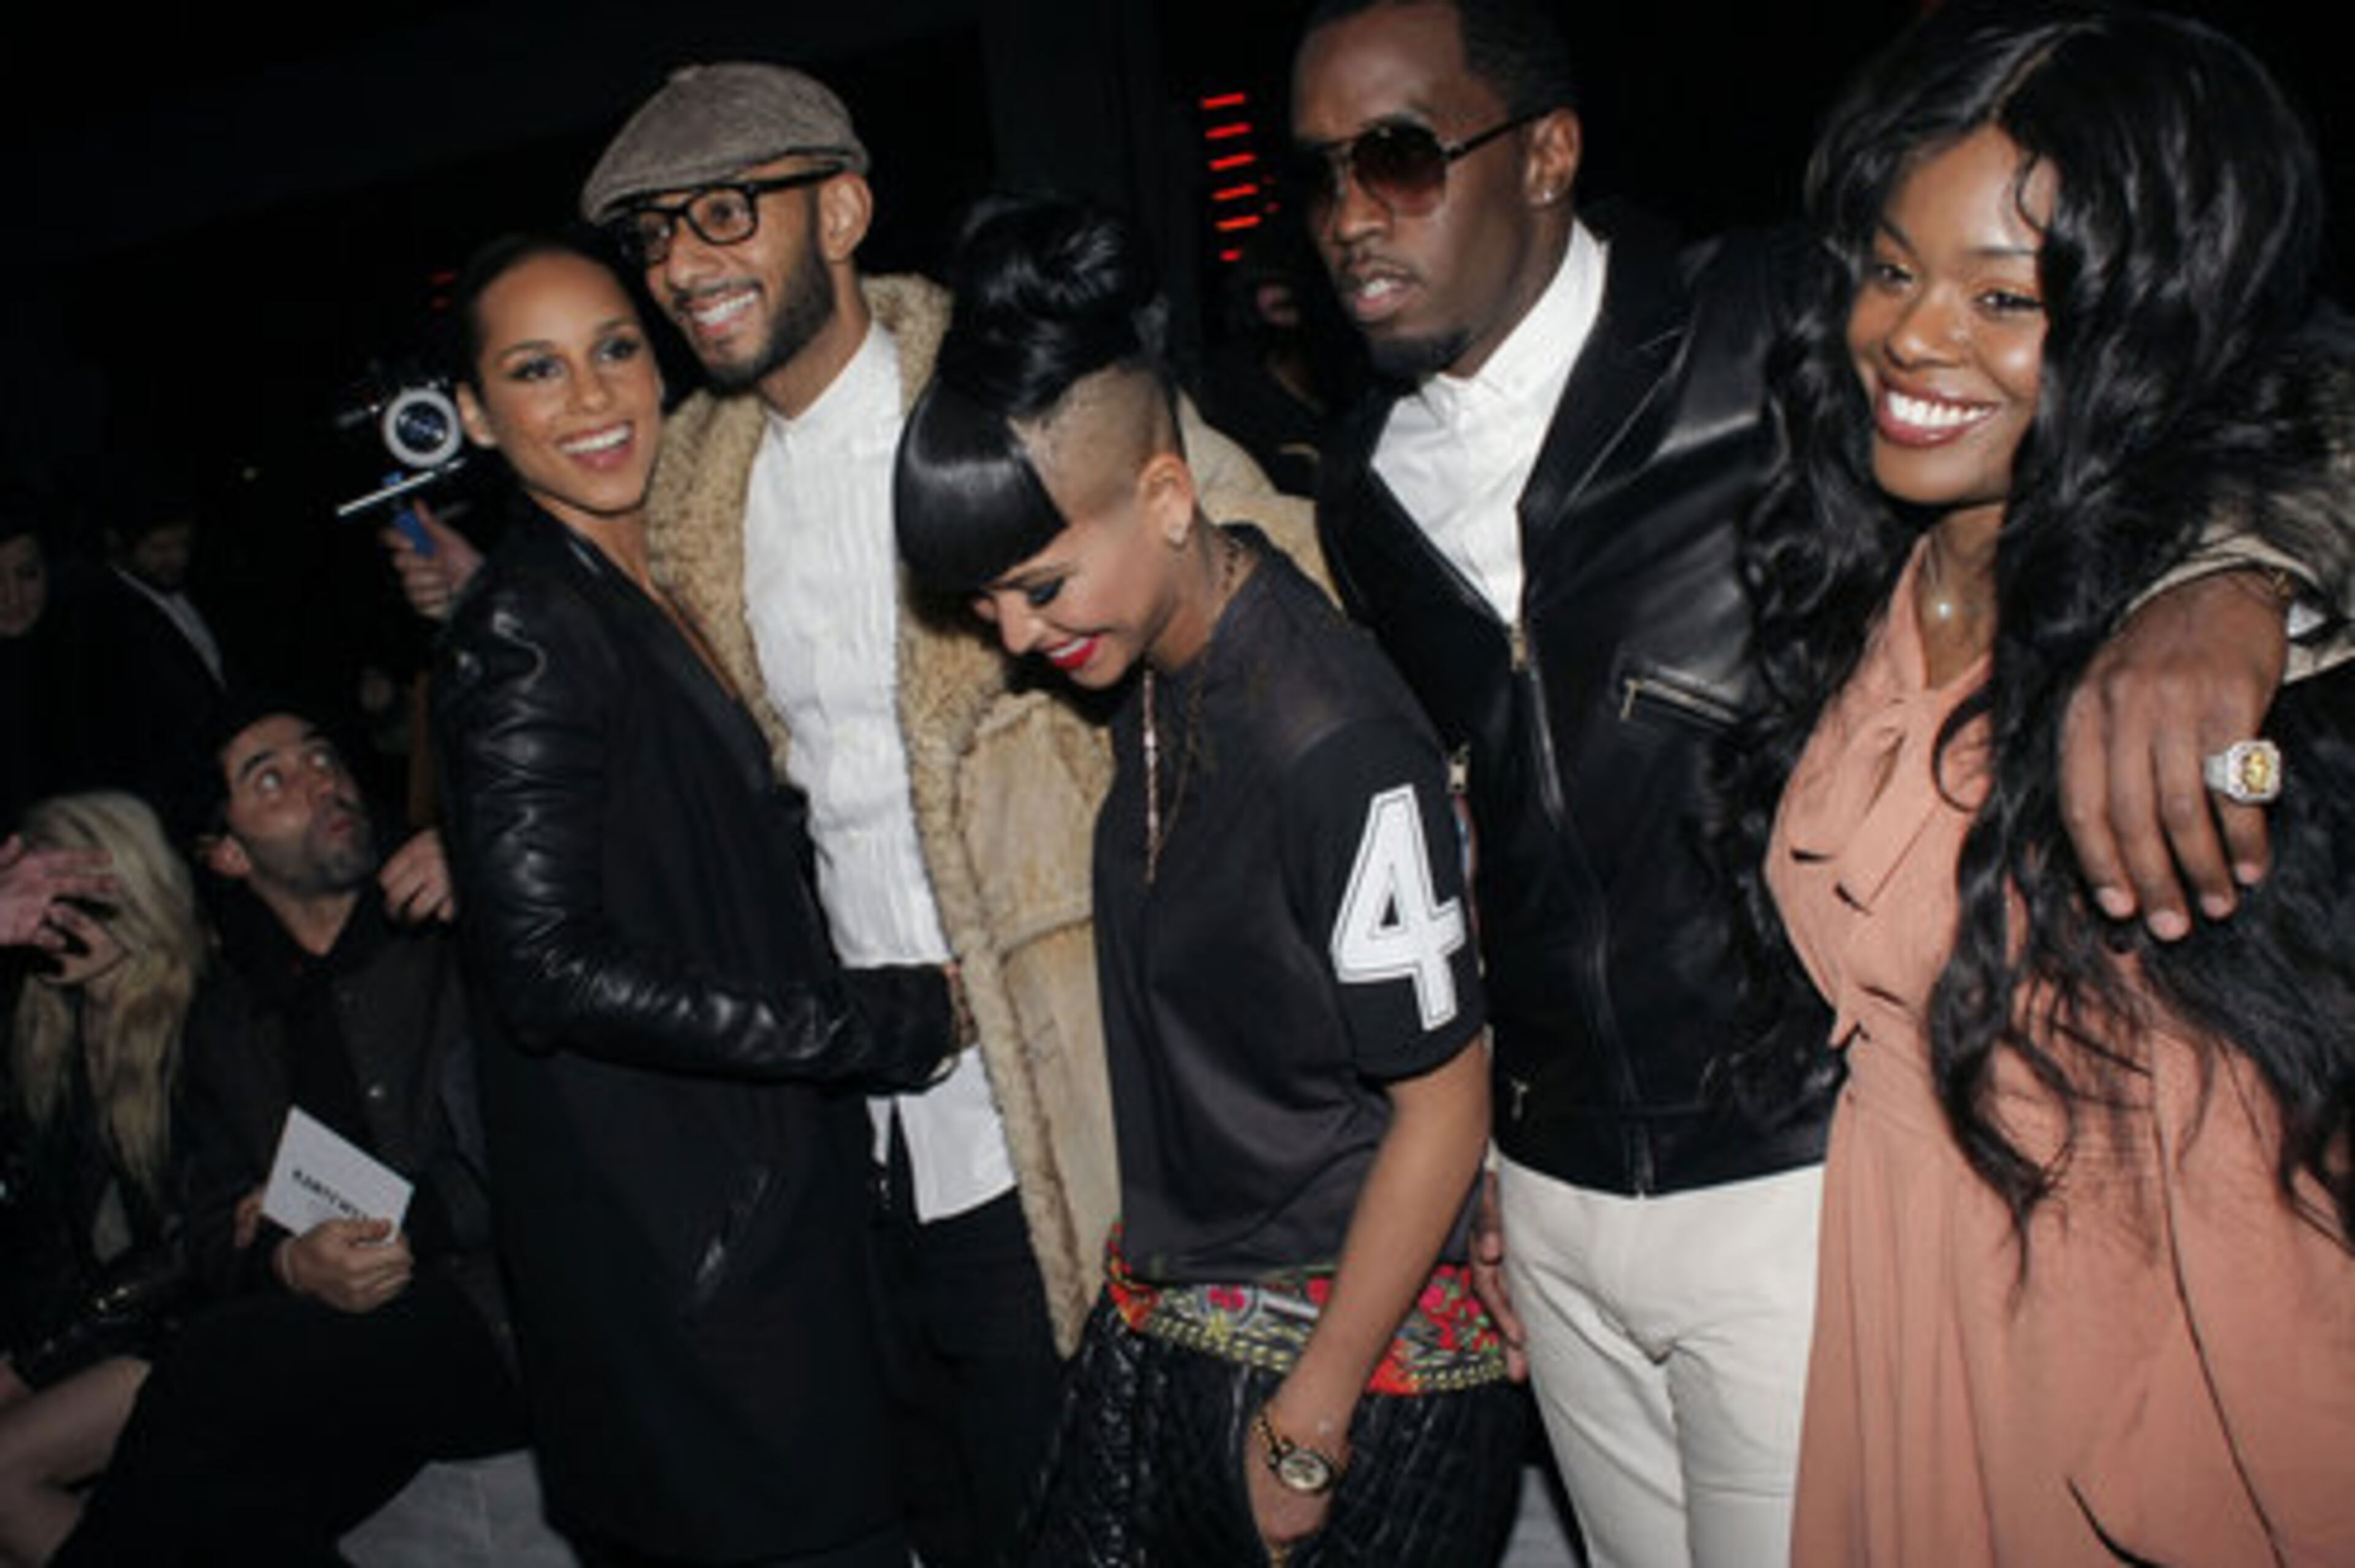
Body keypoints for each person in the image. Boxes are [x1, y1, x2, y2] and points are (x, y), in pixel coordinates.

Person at [1289, 1, 2348, 1562]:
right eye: (1315, 174)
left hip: (1813, 1186)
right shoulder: (1358, 488)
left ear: (1545, 153)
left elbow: (2249, 368)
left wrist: (2239, 578)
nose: (1349, 212)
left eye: (1392, 155)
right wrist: (1509, 1147)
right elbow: (1494, 829)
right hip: (1569, 1187)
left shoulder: (1769, 332)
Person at [410, 63, 1325, 1566]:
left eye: (724, 213)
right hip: (840, 1163)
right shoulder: (687, 482)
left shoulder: (1010, 394)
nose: (688, 265)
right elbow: (616, 752)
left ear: (839, 209)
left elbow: (1264, 602)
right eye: (658, 235)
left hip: (1068, 1103)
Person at [1726, 4, 2354, 1561]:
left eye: (2004, 297)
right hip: (1899, 1337)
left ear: (2142, 326)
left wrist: (2263, 633)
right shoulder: (1879, 556)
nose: (1913, 337)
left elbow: (2267, 1251)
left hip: (2098, 1419)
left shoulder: (2180, 693)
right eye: (1890, 268)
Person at [897, 196, 1520, 1567]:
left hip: (1347, 1382)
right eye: (984, 602)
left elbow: (1444, 1099)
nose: (1013, 635)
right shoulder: (1161, 668)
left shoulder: (1335, 741)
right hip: (1192, 1331)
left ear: (1169, 496)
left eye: (1042, 586)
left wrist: (1310, 1423)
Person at [431, 231, 957, 1568]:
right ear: (481, 418)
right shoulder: (530, 626)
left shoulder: (645, 580)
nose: (595, 399)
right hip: (693, 1253)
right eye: (536, 373)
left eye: (615, 351)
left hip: (751, 1213)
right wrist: (864, 1024)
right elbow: (546, 968)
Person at [50, 707, 523, 1568]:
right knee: (220, 1511)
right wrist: (286, 1262)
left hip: (488, 1309)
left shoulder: (450, 934)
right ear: (227, 852)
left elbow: (532, 1151)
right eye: (272, 778)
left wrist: (403, 1231)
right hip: (332, 1336)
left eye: (322, 758)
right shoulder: (228, 1019)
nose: (319, 784)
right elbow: (203, 1225)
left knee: (213, 1370)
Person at [0, 792, 202, 1568]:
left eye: (72, 894)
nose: (52, 923)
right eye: (36, 900)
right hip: (92, 1324)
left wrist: (33, 1364)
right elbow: (39, 1228)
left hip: (183, 1323)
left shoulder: (202, 1013)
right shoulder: (45, 1021)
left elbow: (183, 1251)